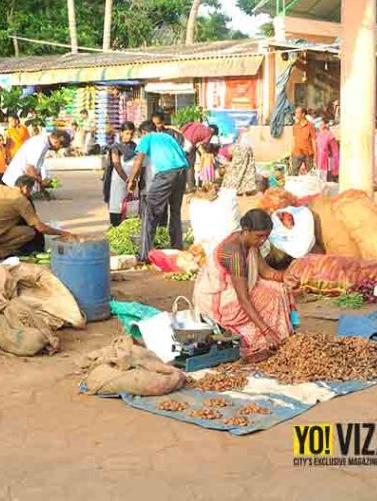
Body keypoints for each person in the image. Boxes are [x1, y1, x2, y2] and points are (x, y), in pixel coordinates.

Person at [192, 209, 294, 360]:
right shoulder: (233, 252)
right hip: (220, 301)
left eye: (266, 236)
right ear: (246, 230)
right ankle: (262, 341)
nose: (262, 241)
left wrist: (284, 277)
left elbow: (266, 272)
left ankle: (281, 338)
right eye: (259, 236)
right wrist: (266, 331)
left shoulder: (250, 243)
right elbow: (243, 300)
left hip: (237, 291)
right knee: (271, 296)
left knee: (280, 288)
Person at [126, 121, 189, 261]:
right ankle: (177, 247)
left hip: (167, 173)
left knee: (150, 212)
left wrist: (131, 180)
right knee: (175, 212)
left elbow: (138, 160)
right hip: (182, 171)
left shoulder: (147, 138)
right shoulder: (168, 137)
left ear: (143, 132)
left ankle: (144, 254)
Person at [0, 175, 71, 261]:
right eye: (30, 189)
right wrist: (62, 233)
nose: (30, 193)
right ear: (25, 187)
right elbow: (40, 228)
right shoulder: (21, 201)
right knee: (29, 232)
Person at [1, 129, 71, 187]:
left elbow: (38, 166)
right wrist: (41, 182)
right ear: (57, 141)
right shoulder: (41, 144)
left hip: (19, 180)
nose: (58, 149)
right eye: (59, 147)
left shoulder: (43, 142)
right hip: (16, 180)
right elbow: (30, 167)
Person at [104, 123, 137, 226]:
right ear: (121, 133)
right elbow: (117, 164)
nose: (129, 136)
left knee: (131, 208)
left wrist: (132, 180)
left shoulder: (135, 147)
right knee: (117, 207)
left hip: (132, 182)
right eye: (127, 133)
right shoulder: (115, 148)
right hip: (118, 182)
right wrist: (127, 180)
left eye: (131, 134)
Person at [290, 107, 315, 175]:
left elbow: (314, 140)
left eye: (298, 113)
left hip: (308, 154)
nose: (296, 115)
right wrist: (291, 152)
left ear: (303, 114)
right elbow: (293, 140)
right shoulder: (295, 126)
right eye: (295, 113)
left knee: (311, 173)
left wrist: (316, 154)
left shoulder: (310, 126)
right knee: (293, 173)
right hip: (297, 153)